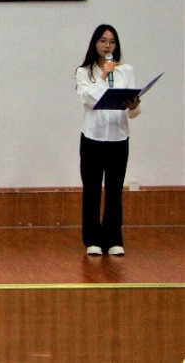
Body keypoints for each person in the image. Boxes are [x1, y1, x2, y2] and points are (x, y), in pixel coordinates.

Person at [75, 24, 140, 256]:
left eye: (112, 42)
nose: (107, 46)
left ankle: (113, 239)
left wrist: (134, 106)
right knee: (92, 190)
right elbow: (88, 100)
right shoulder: (84, 72)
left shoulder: (126, 70)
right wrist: (103, 75)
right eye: (103, 41)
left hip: (119, 137)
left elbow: (133, 111)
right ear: (95, 44)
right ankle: (92, 239)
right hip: (93, 137)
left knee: (114, 191)